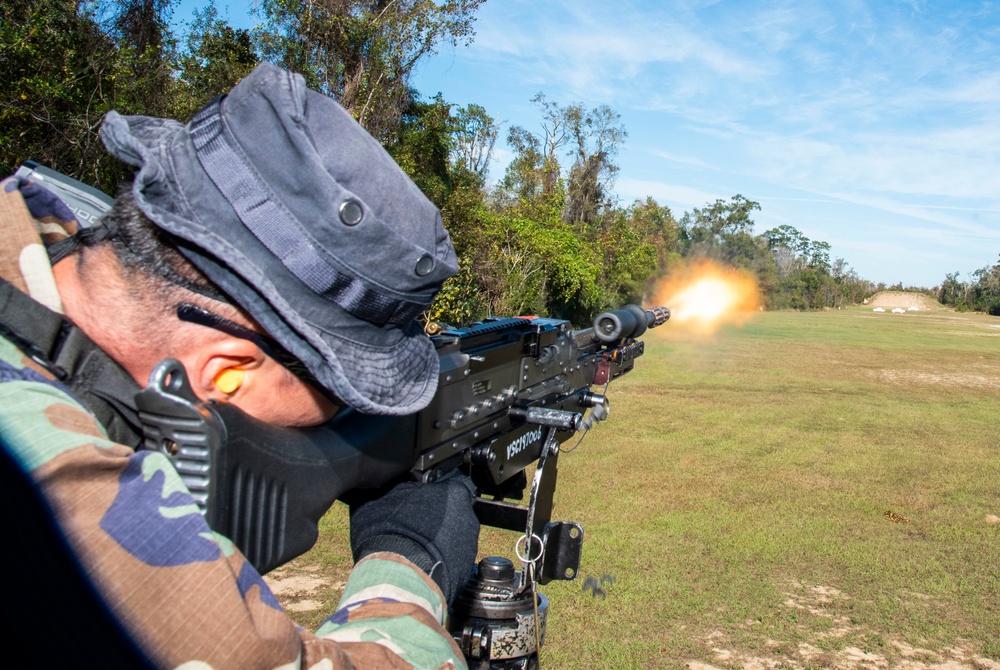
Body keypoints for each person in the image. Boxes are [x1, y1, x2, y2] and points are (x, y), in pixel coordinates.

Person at [0, 62, 479, 668]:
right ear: (225, 371)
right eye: (344, 397)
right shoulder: (59, 494)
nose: (345, 417)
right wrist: (406, 564)